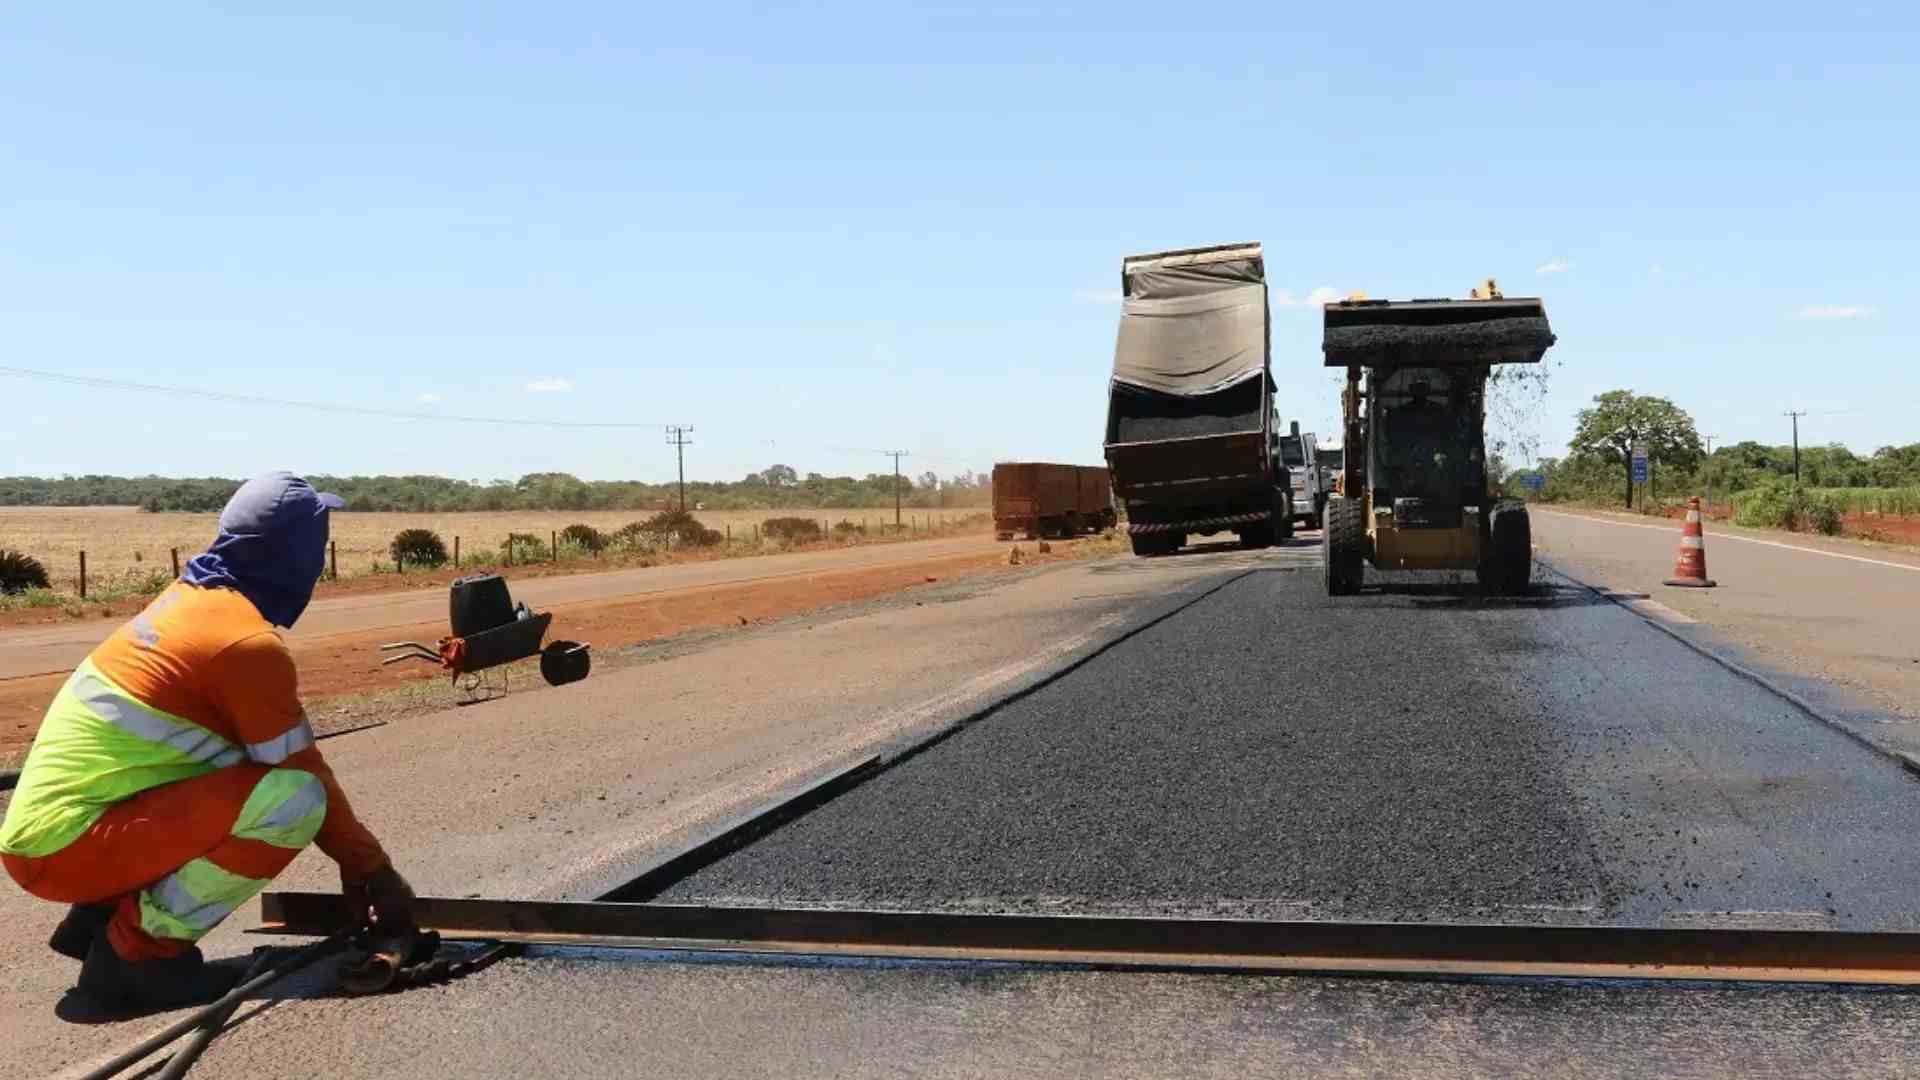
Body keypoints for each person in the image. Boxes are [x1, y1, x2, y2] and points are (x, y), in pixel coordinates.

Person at [1, 472, 413, 1010]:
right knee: (294, 800)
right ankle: (139, 957)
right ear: (295, 553)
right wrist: (372, 870)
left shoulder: (185, 602)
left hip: (49, 836)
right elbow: (301, 768)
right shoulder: (243, 644)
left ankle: (101, 918)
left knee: (228, 758)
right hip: (67, 849)